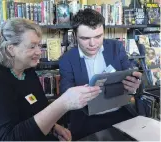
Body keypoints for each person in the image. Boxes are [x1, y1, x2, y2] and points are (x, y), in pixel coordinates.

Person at [0, 18, 101, 141]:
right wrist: (63, 103)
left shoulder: (28, 72)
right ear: (11, 49)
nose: (39, 51)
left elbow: (38, 110)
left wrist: (54, 127)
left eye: (39, 45)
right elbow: (7, 139)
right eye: (32, 46)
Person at [59, 9, 142, 140]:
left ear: (104, 32)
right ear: (74, 36)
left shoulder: (116, 47)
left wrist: (135, 84)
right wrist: (78, 94)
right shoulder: (67, 59)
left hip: (120, 114)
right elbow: (65, 91)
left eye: (98, 37)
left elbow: (130, 71)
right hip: (87, 120)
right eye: (85, 38)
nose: (93, 44)